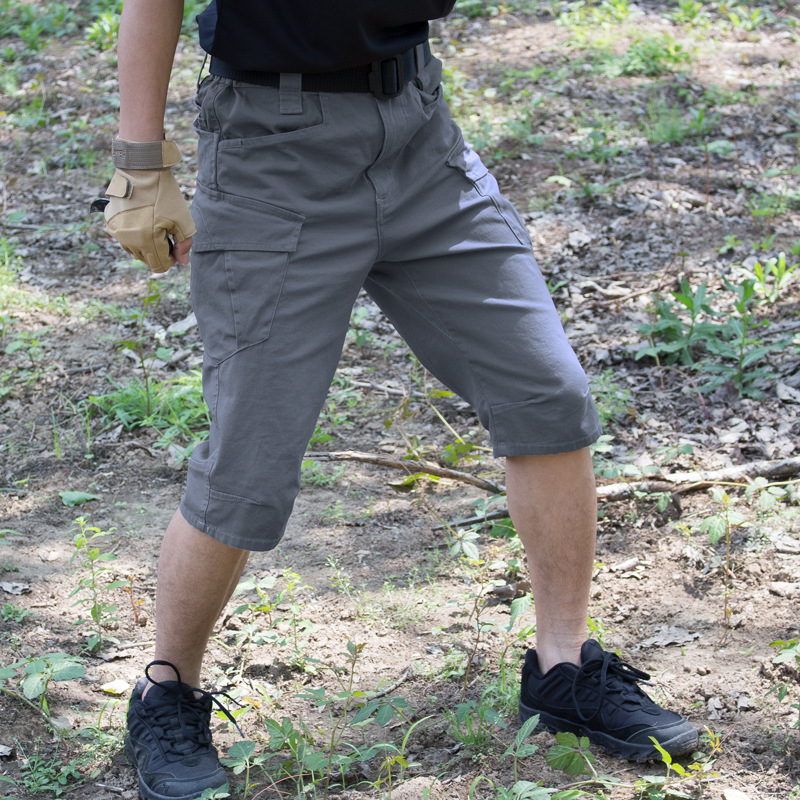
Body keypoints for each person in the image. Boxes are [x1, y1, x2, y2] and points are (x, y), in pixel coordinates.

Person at [102, 2, 699, 798]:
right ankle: (166, 693)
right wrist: (142, 162)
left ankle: (564, 668)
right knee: (250, 458)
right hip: (271, 154)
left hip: (418, 132)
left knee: (546, 395)